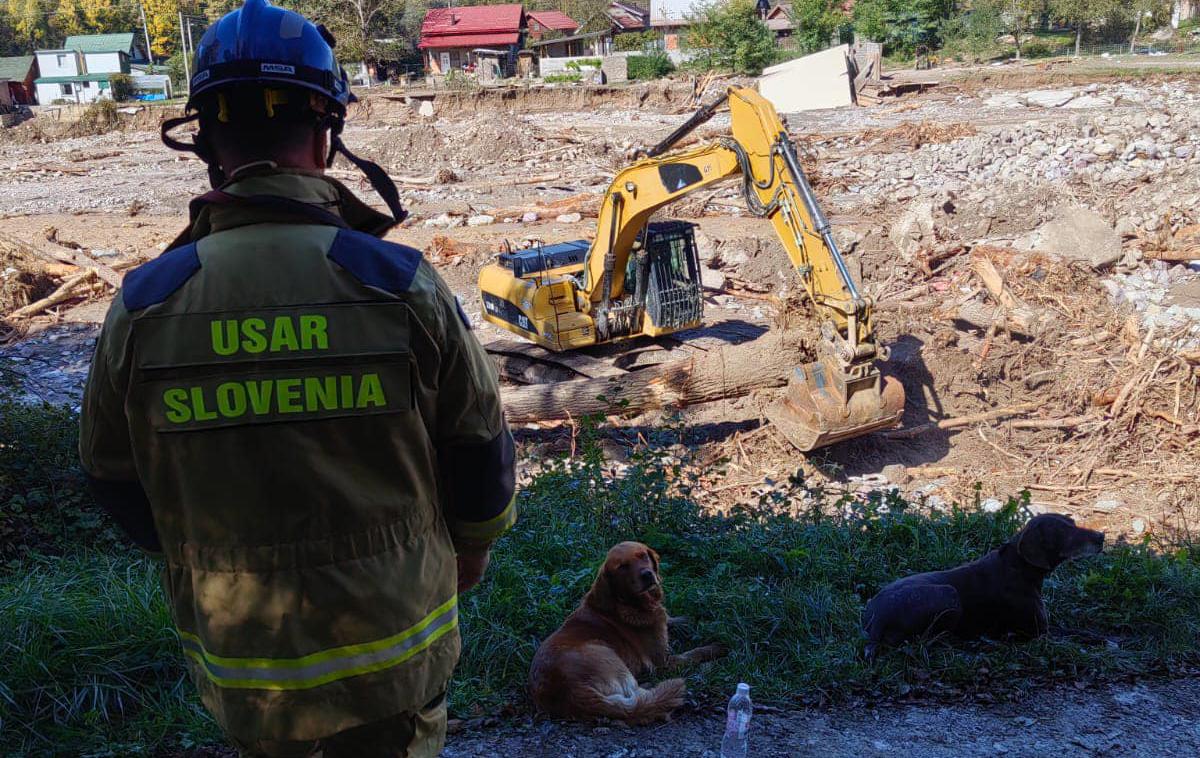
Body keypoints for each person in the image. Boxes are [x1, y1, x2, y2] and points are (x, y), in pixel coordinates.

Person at [77, 1, 516, 755]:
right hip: (397, 651)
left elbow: (112, 478)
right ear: (326, 134)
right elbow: (478, 451)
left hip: (249, 668)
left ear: (209, 140)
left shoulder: (147, 304)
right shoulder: (397, 282)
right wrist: (467, 555)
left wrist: (199, 555)